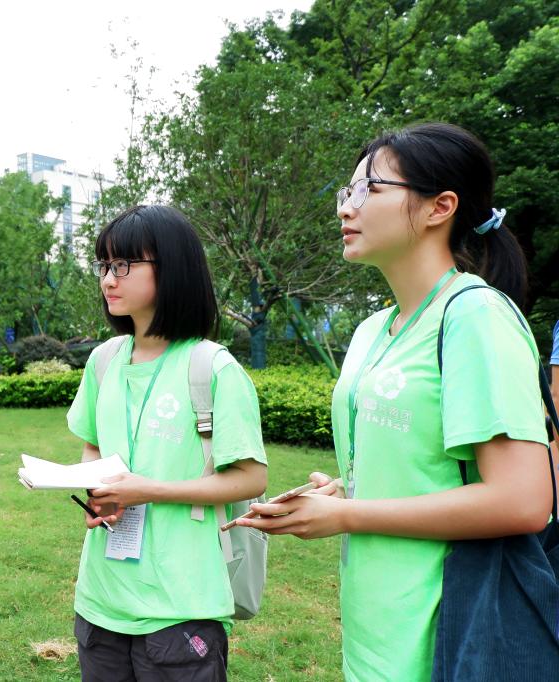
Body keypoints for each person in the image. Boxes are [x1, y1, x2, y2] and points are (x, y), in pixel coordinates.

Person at [239, 122, 552, 681]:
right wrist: (344, 490)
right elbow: (416, 466)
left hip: (453, 634)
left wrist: (346, 515)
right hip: (374, 628)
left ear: (440, 207)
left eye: (369, 189)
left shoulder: (476, 317)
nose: (346, 207)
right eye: (347, 191)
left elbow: (523, 500)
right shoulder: (371, 330)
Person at [66, 205, 268, 681]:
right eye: (103, 266)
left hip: (182, 605)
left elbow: (250, 478)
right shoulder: (103, 361)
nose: (108, 279)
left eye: (123, 265)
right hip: (100, 601)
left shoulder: (212, 368)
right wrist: (98, 493)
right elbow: (92, 445)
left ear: (172, 267)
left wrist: (148, 490)